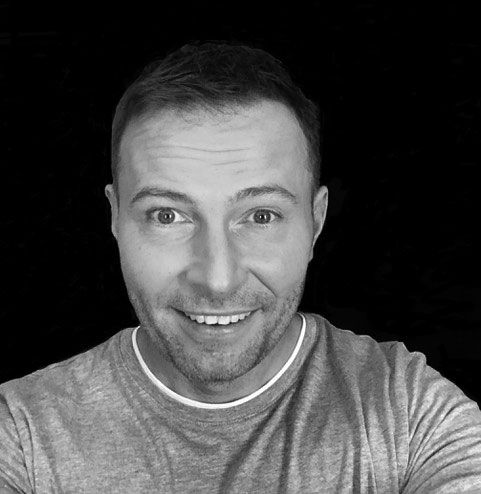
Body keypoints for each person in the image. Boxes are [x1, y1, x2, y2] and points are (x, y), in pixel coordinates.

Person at [1, 42, 480, 494]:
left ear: (315, 223)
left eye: (261, 216)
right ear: (115, 217)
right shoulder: (21, 435)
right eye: (167, 216)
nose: (218, 279)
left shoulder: (410, 412)